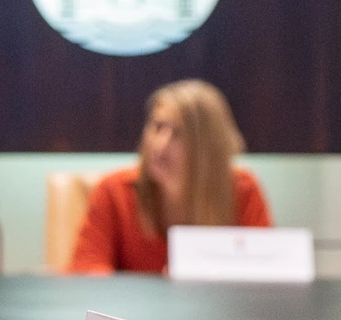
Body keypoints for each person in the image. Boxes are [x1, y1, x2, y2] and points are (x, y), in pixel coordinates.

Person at [67, 79, 273, 274]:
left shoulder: (242, 189)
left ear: (209, 146)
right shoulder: (114, 190)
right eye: (157, 127)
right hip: (132, 311)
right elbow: (86, 272)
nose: (161, 144)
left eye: (179, 133)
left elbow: (265, 275)